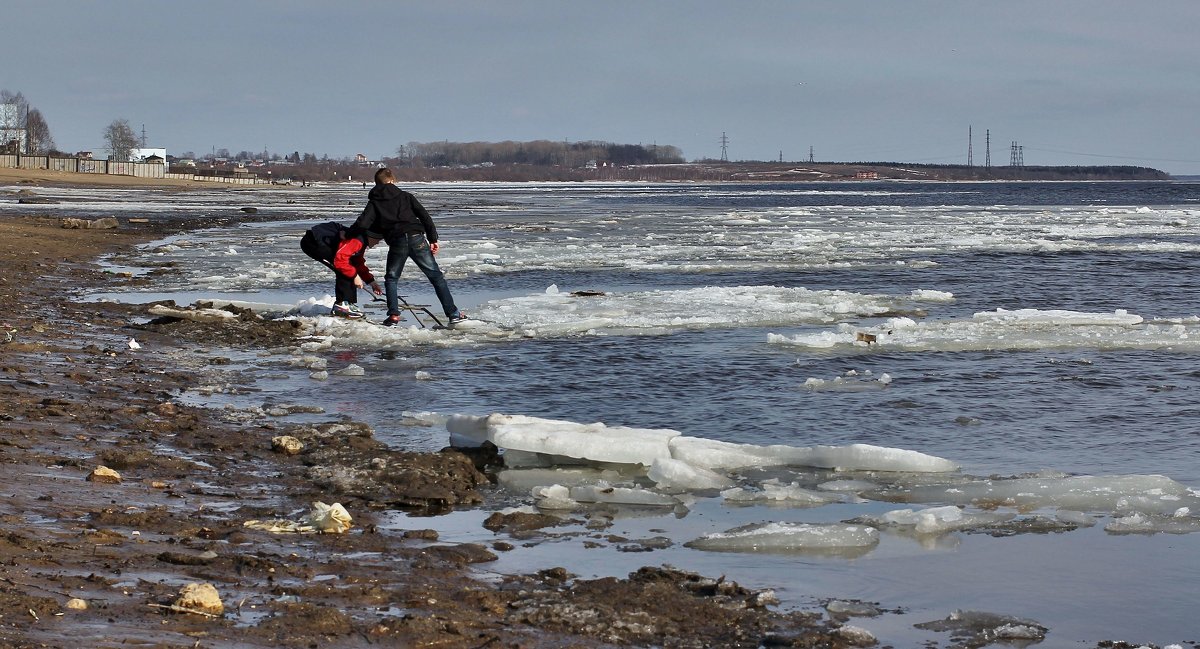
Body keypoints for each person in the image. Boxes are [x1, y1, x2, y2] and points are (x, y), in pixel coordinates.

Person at [351, 167, 466, 327]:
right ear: (392, 181)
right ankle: (453, 314)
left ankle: (393, 315)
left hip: (397, 241)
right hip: (416, 237)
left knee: (392, 279)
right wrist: (433, 239)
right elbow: (425, 216)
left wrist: (348, 234)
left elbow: (363, 223)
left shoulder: (375, 202)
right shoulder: (406, 196)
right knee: (436, 277)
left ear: (377, 184)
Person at [300, 221, 383, 319]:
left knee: (348, 267)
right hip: (312, 242)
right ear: (371, 236)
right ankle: (342, 305)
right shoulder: (357, 240)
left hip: (318, 241)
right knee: (345, 267)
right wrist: (355, 276)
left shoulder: (362, 242)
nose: (378, 242)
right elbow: (340, 261)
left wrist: (371, 282)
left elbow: (358, 262)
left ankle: (347, 303)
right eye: (378, 240)